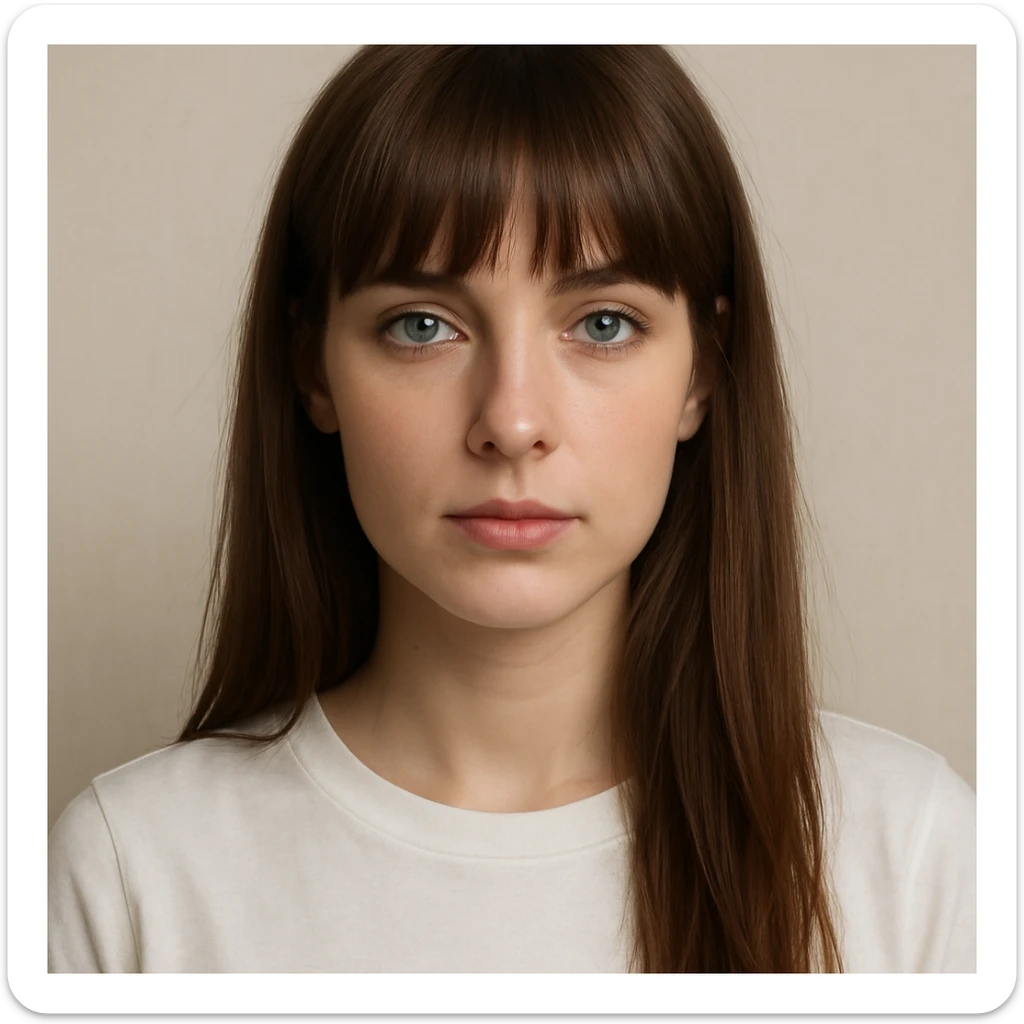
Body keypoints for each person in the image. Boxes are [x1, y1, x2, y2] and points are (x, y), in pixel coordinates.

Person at [47, 44, 975, 974]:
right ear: (310, 367)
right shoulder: (135, 873)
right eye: (423, 326)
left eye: (603, 324)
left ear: (702, 371)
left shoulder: (914, 856)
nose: (513, 422)